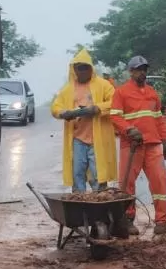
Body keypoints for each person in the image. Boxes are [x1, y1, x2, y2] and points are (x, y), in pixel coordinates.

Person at [110, 55, 166, 236]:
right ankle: (128, 220)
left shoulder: (152, 93)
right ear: (131, 71)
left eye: (144, 69)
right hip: (132, 146)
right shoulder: (121, 92)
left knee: (160, 182)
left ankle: (161, 220)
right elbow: (115, 116)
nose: (142, 73)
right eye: (139, 70)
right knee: (127, 183)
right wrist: (129, 130)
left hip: (153, 145)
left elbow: (158, 119)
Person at [51, 49, 118, 192]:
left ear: (91, 68)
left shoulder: (103, 85)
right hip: (77, 139)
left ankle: (100, 203)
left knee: (98, 175)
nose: (82, 71)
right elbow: (56, 107)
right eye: (79, 68)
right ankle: (79, 202)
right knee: (77, 174)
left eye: (85, 67)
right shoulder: (68, 89)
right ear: (74, 69)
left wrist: (97, 109)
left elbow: (115, 102)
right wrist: (64, 113)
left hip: (97, 139)